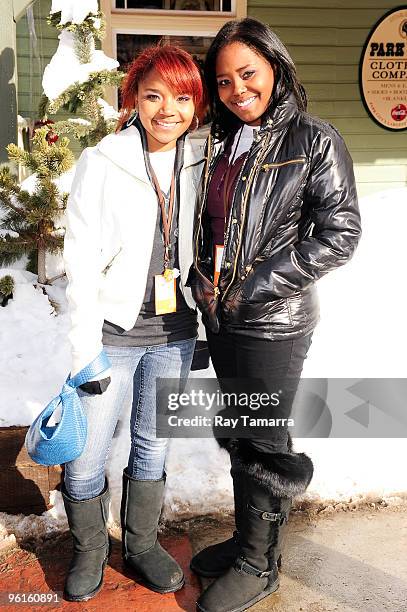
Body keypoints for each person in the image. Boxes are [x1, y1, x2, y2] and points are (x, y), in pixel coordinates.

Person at [190, 18, 361, 612]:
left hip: (273, 322)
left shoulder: (314, 139)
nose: (238, 90)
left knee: (262, 439)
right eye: (225, 80)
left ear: (275, 67)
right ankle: (247, 539)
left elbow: (340, 234)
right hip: (224, 320)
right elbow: (214, 227)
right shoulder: (220, 142)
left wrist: (253, 286)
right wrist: (201, 279)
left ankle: (259, 564)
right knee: (241, 431)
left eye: (248, 74)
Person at [62, 45, 206, 602]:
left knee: (153, 446)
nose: (167, 109)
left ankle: (142, 544)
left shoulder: (202, 159)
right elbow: (78, 262)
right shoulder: (103, 161)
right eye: (153, 96)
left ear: (195, 104)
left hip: (175, 333)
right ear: (133, 99)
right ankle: (90, 548)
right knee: (87, 452)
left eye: (182, 97)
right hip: (112, 335)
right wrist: (82, 352)